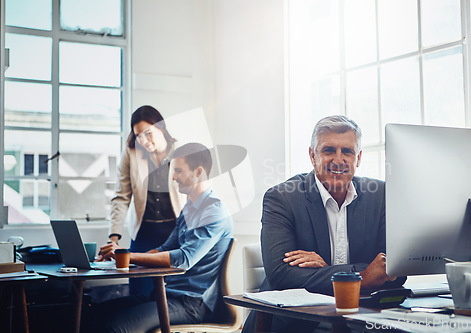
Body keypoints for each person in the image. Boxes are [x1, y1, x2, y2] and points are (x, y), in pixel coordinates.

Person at [243, 115, 404, 333]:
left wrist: (327, 270)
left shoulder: (381, 194)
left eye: (347, 151)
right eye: (328, 150)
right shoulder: (282, 197)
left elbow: (395, 268)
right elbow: (281, 275)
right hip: (293, 323)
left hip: (359, 319)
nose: (338, 160)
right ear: (313, 155)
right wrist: (361, 278)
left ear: (358, 158)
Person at [93, 143, 233, 333]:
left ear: (198, 172)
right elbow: (163, 248)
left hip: (191, 304)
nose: (173, 177)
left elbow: (184, 259)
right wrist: (116, 261)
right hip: (166, 295)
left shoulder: (214, 212)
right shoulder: (189, 209)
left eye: (177, 171)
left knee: (117, 327)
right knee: (96, 312)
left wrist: (126, 256)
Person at [109, 105, 185, 295]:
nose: (143, 140)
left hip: (175, 233)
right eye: (138, 135)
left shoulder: (181, 151)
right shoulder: (131, 152)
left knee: (173, 292)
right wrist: (114, 237)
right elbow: (121, 196)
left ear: (161, 127)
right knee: (139, 292)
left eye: (148, 133)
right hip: (144, 234)